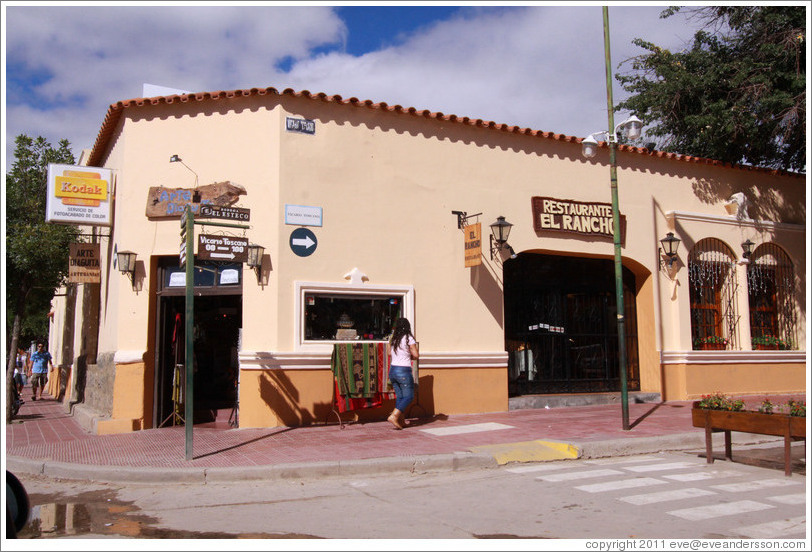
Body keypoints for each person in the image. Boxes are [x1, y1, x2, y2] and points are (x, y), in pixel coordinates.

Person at [387, 318, 418, 429]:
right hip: (404, 370)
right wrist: (408, 354)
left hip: (393, 370)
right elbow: (416, 355)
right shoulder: (408, 338)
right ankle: (394, 416)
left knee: (400, 397)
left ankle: (401, 421)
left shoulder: (393, 339)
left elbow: (388, 353)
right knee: (409, 396)